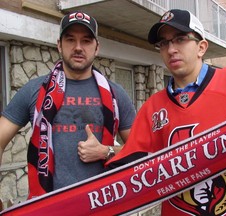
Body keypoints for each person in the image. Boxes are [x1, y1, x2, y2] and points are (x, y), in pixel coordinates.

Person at [105, 9, 226, 215]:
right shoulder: (153, 108)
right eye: (164, 43)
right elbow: (131, 165)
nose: (171, 49)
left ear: (201, 47)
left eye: (180, 39)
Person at [0, 11, 135, 199]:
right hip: (49, 207)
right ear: (59, 45)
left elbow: (141, 150)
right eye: (70, 40)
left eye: (86, 41)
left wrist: (106, 151)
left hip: (103, 204)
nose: (78, 47)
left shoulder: (116, 94)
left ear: (97, 48)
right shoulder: (34, 90)